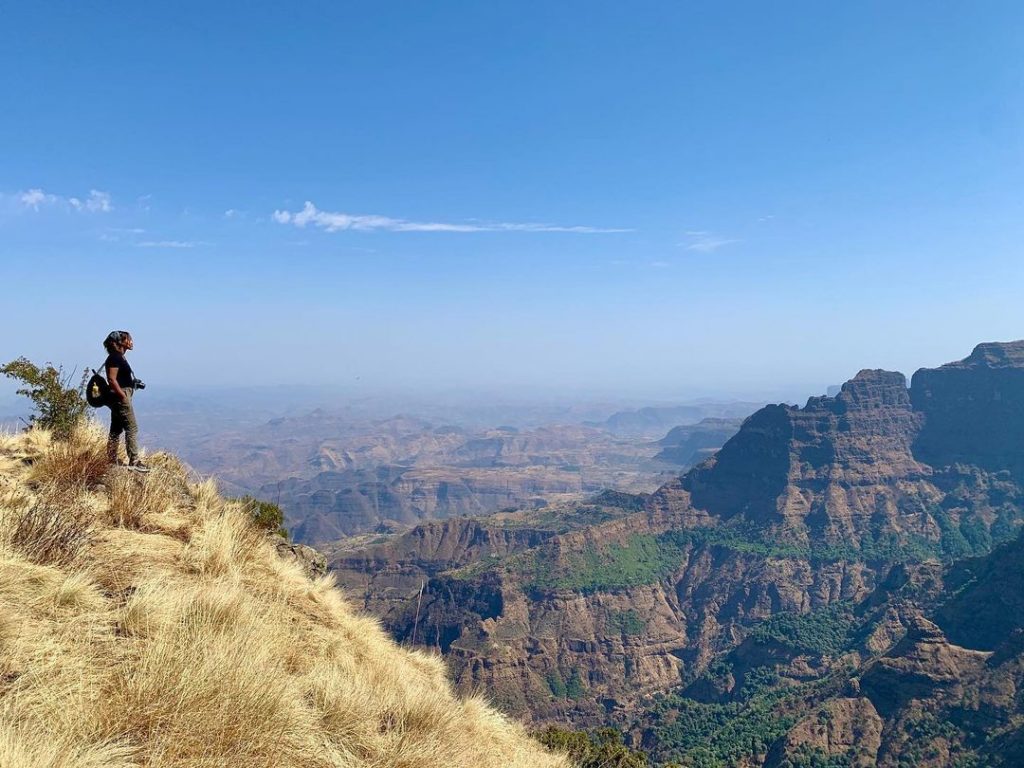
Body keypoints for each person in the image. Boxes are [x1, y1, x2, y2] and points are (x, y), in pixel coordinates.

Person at [103, 330, 148, 472]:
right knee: (132, 427)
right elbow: (111, 379)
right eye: (128, 339)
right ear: (120, 342)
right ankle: (134, 460)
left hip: (118, 395)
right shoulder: (116, 358)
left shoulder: (118, 357)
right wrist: (122, 395)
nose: (131, 341)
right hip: (120, 397)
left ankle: (111, 458)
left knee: (116, 428)